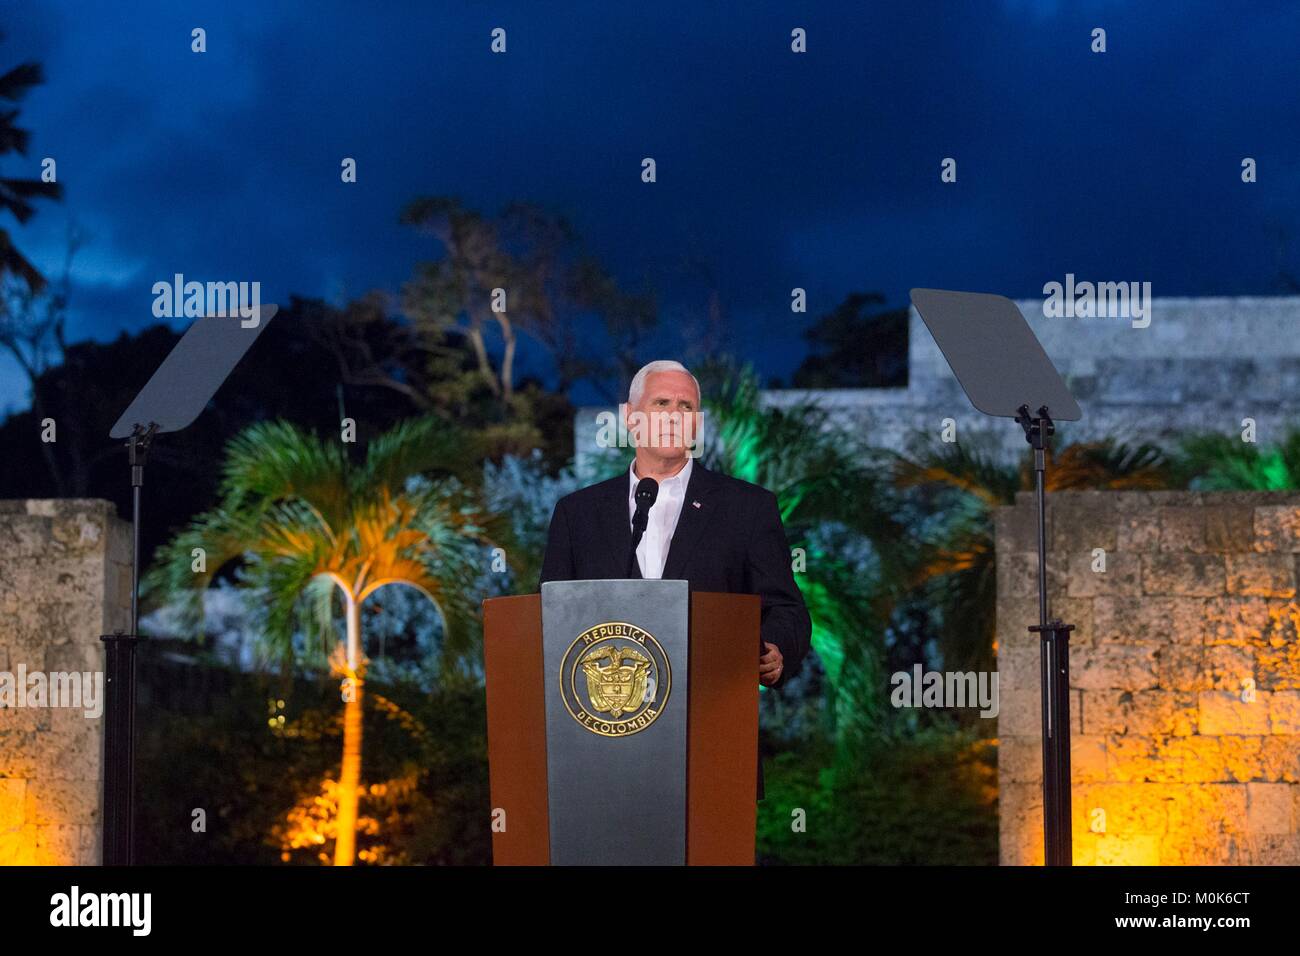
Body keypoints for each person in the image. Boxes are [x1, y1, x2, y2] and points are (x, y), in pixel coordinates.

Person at [539, 359, 812, 799]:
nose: (672, 414)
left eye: (685, 406)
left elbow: (786, 607)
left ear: (696, 424)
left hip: (712, 741)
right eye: (661, 402)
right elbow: (548, 620)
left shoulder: (747, 508)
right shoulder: (578, 514)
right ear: (631, 418)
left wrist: (778, 649)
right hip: (601, 751)